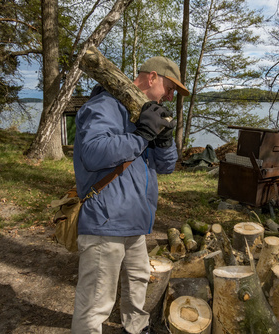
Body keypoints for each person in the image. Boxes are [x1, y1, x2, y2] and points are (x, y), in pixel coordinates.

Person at [71, 56, 190, 334]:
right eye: (170, 88)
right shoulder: (104, 106)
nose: (171, 97)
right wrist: (141, 135)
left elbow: (167, 166)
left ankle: (136, 328)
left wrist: (162, 140)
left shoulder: (146, 113)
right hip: (106, 220)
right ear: (152, 78)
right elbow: (92, 153)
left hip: (135, 219)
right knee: (96, 299)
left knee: (138, 280)